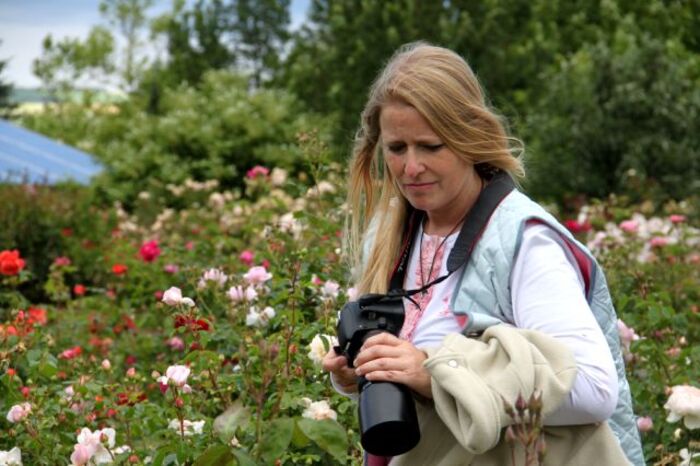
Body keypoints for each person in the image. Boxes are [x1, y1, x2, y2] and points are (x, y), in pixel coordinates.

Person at [322, 42, 644, 465]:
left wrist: (436, 372)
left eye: (431, 146)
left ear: (469, 138)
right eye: (397, 148)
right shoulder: (390, 236)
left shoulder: (522, 240)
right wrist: (360, 372)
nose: (411, 167)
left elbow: (592, 389)